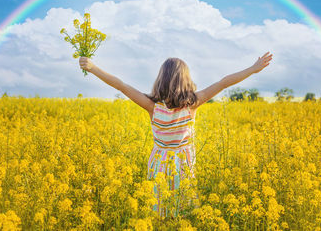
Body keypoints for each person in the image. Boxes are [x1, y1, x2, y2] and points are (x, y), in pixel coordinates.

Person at [79, 52, 273, 217]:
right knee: (183, 212)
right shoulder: (193, 103)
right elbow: (223, 83)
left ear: (160, 79)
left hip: (158, 165)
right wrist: (253, 68)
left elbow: (121, 86)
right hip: (183, 165)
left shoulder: (151, 106)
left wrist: (94, 67)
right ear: (186, 80)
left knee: (159, 211)